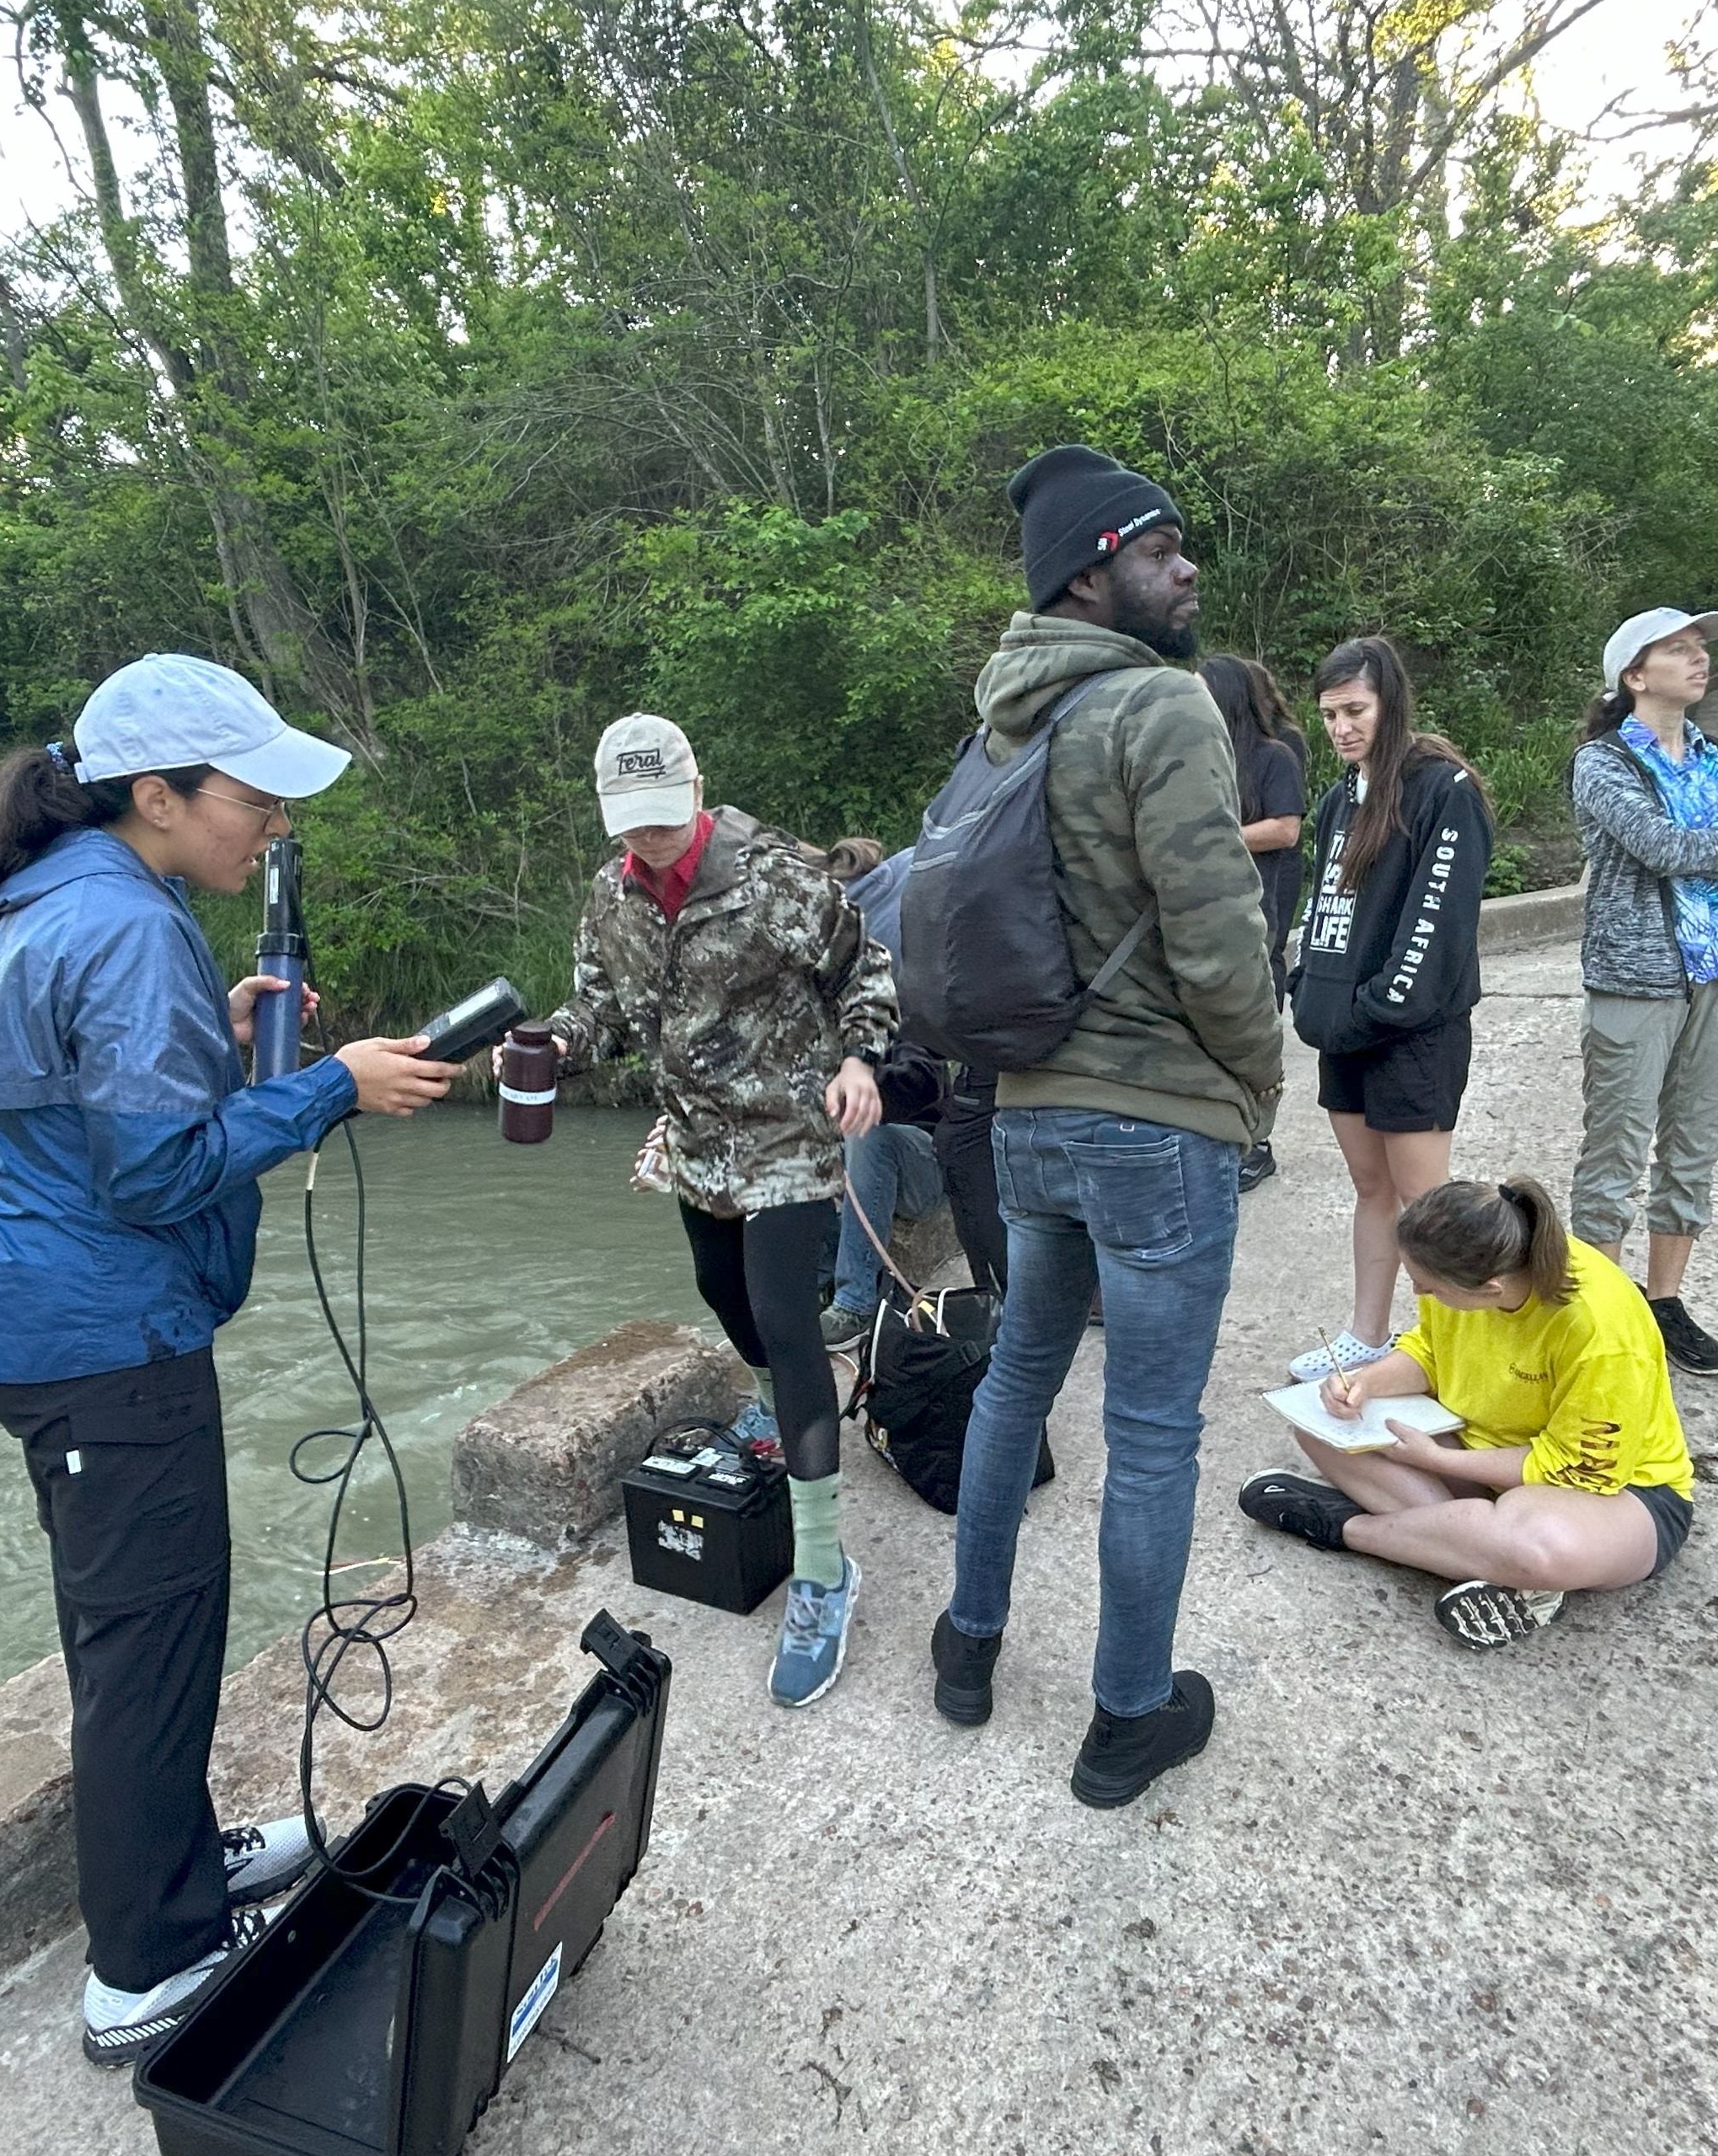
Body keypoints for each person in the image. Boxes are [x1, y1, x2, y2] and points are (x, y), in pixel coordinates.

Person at [0, 653, 460, 2067]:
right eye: (254, 798)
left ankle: (174, 1863)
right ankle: (148, 1965)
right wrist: (328, 1084)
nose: (271, 824)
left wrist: (216, 1042)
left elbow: (87, 1102)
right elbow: (160, 1176)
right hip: (101, 1333)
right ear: (158, 796)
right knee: (148, 1641)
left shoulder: (67, 892)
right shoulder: (123, 925)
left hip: (51, 1316)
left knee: (143, 1624)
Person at [928, 443, 1282, 1811]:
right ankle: (1128, 1715)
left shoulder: (997, 726)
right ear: (1092, 569)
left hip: (1024, 1115)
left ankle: (968, 1648)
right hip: (1150, 1122)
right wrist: (1255, 1083)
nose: (1187, 565)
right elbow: (1216, 937)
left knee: (1017, 1376)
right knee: (1147, 1431)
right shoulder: (1161, 705)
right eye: (1159, 544)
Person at [540, 714, 894, 1704]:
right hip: (699, 1146)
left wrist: (862, 1057)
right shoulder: (610, 898)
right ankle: (810, 1392)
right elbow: (600, 1007)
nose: (649, 839)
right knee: (724, 1296)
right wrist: (555, 1044)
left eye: (664, 818)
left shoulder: (775, 876)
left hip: (789, 1135)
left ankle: (824, 1570)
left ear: (697, 789)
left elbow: (865, 968)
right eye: (631, 823)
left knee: (782, 1315)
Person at [1236, 1175, 1694, 1650]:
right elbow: (1430, 1351)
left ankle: (1349, 1527)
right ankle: (1480, 1554)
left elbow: (1577, 1469)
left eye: (1428, 1287)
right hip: (1479, 1451)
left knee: (1534, 1541)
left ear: (1491, 1290)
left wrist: (1436, 1461)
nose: (1417, 1291)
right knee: (1319, 1426)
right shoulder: (1480, 1261)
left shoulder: (1600, 1333)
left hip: (1617, 1495)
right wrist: (1365, 1384)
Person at [1569, 607, 1718, 1378]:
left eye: (1701, 649)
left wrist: (1703, 850)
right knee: (1615, 1151)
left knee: (1694, 1148)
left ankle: (1664, 1305)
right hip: (1637, 977)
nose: (1699, 660)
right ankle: (1597, 1314)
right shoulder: (1603, 762)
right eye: (1679, 650)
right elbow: (1661, 847)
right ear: (1635, 675)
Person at [1283, 636, 1495, 1382]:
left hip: (1413, 1037)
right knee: (1371, 1190)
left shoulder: (1445, 789)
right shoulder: (1339, 800)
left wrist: (1378, 1006)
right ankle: (1367, 1335)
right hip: (1344, 1034)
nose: (1341, 727)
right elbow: (1325, 908)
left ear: (1390, 703)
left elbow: (1438, 923)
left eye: (1355, 710)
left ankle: (1455, 1357)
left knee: (1424, 1201)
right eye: (1330, 714)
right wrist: (1307, 984)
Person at [812, 836, 984, 1340]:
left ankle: (856, 1301)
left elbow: (926, 1076)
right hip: (853, 1177)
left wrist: (867, 1088)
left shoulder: (895, 985)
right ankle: (816, 1282)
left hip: (925, 1162)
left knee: (869, 1133)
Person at [1205, 651, 1309, 1192]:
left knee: (1255, 1025)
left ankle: (1259, 1141)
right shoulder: (1201, 756)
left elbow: (1286, 830)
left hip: (1260, 906)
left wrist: (1213, 838)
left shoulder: (1275, 755)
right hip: (1210, 911)